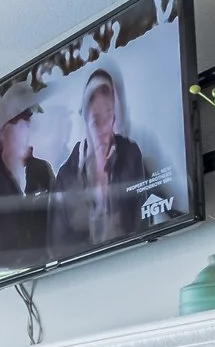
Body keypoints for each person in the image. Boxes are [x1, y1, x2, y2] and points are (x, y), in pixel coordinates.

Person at [52, 66, 152, 250]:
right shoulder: (65, 176)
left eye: (108, 115)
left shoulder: (130, 153)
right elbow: (58, 245)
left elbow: (144, 216)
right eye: (96, 119)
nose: (103, 127)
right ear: (85, 118)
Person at [0, 81, 55, 273]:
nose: (30, 126)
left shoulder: (42, 170)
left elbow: (58, 224)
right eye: (24, 119)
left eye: (30, 119)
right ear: (3, 129)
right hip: (0, 282)